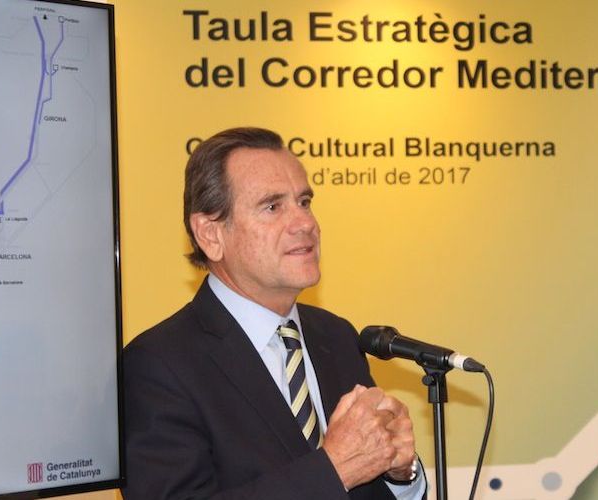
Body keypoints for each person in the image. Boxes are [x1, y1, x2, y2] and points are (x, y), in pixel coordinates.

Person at [122, 127, 426, 499]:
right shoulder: (158, 365)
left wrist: (400, 474)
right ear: (210, 235)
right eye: (272, 206)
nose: (306, 223)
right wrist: (334, 469)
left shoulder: (336, 336)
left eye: (304, 201)